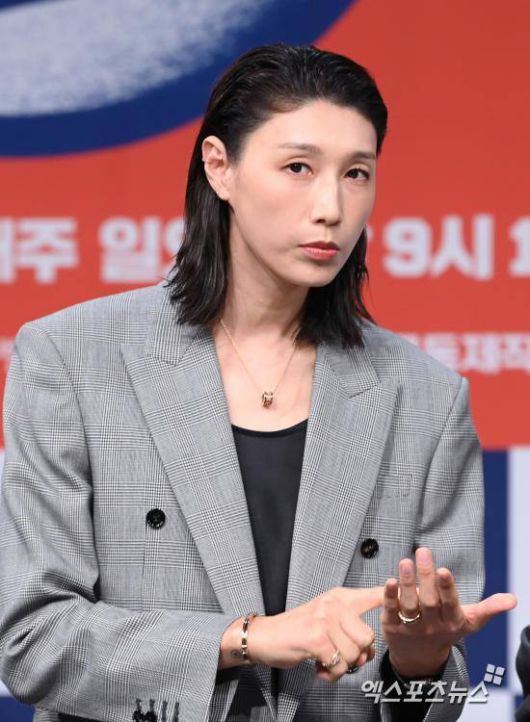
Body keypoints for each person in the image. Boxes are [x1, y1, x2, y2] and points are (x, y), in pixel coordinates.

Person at [0, 42, 516, 722]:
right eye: (298, 167)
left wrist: (419, 662)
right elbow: (34, 640)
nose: (331, 206)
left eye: (356, 173)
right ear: (220, 167)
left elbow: (440, 694)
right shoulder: (71, 358)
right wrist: (245, 638)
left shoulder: (425, 397)